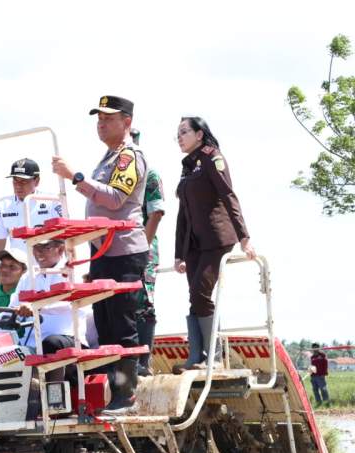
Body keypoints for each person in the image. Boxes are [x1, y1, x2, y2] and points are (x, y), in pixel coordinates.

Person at [52, 95, 149, 414]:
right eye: (99, 118)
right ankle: (111, 394)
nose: (101, 123)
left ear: (127, 123)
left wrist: (75, 177)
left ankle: (126, 396)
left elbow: (116, 200)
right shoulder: (109, 157)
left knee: (120, 323)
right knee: (105, 324)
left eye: (109, 118)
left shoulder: (128, 157)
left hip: (123, 251)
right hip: (103, 250)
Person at [173, 117, 256, 371]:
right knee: (194, 297)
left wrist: (245, 237)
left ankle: (215, 357)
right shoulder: (187, 165)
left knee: (201, 292)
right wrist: (178, 254)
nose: (179, 137)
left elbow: (228, 195)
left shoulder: (212, 157)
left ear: (199, 134)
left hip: (217, 238)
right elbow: (182, 213)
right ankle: (197, 356)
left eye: (184, 132)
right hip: (194, 244)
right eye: (177, 133)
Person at [0, 158, 62, 290]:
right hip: (19, 276)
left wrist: (67, 268)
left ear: (37, 180)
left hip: (48, 274)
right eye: (15, 181)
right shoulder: (3, 204)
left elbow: (64, 238)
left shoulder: (52, 202)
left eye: (24, 181)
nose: (18, 185)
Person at [10, 238, 88, 356]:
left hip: (69, 338)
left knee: (50, 343)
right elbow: (11, 310)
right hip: (30, 344)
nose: (38, 252)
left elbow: (74, 302)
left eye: (45, 247)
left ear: (61, 249)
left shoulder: (73, 272)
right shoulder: (27, 277)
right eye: (35, 247)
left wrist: (37, 307)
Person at [130, 128, 165, 377]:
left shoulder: (149, 175)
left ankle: (143, 362)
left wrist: (143, 248)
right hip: (116, 249)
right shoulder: (109, 176)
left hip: (142, 246)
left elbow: (156, 213)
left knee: (143, 302)